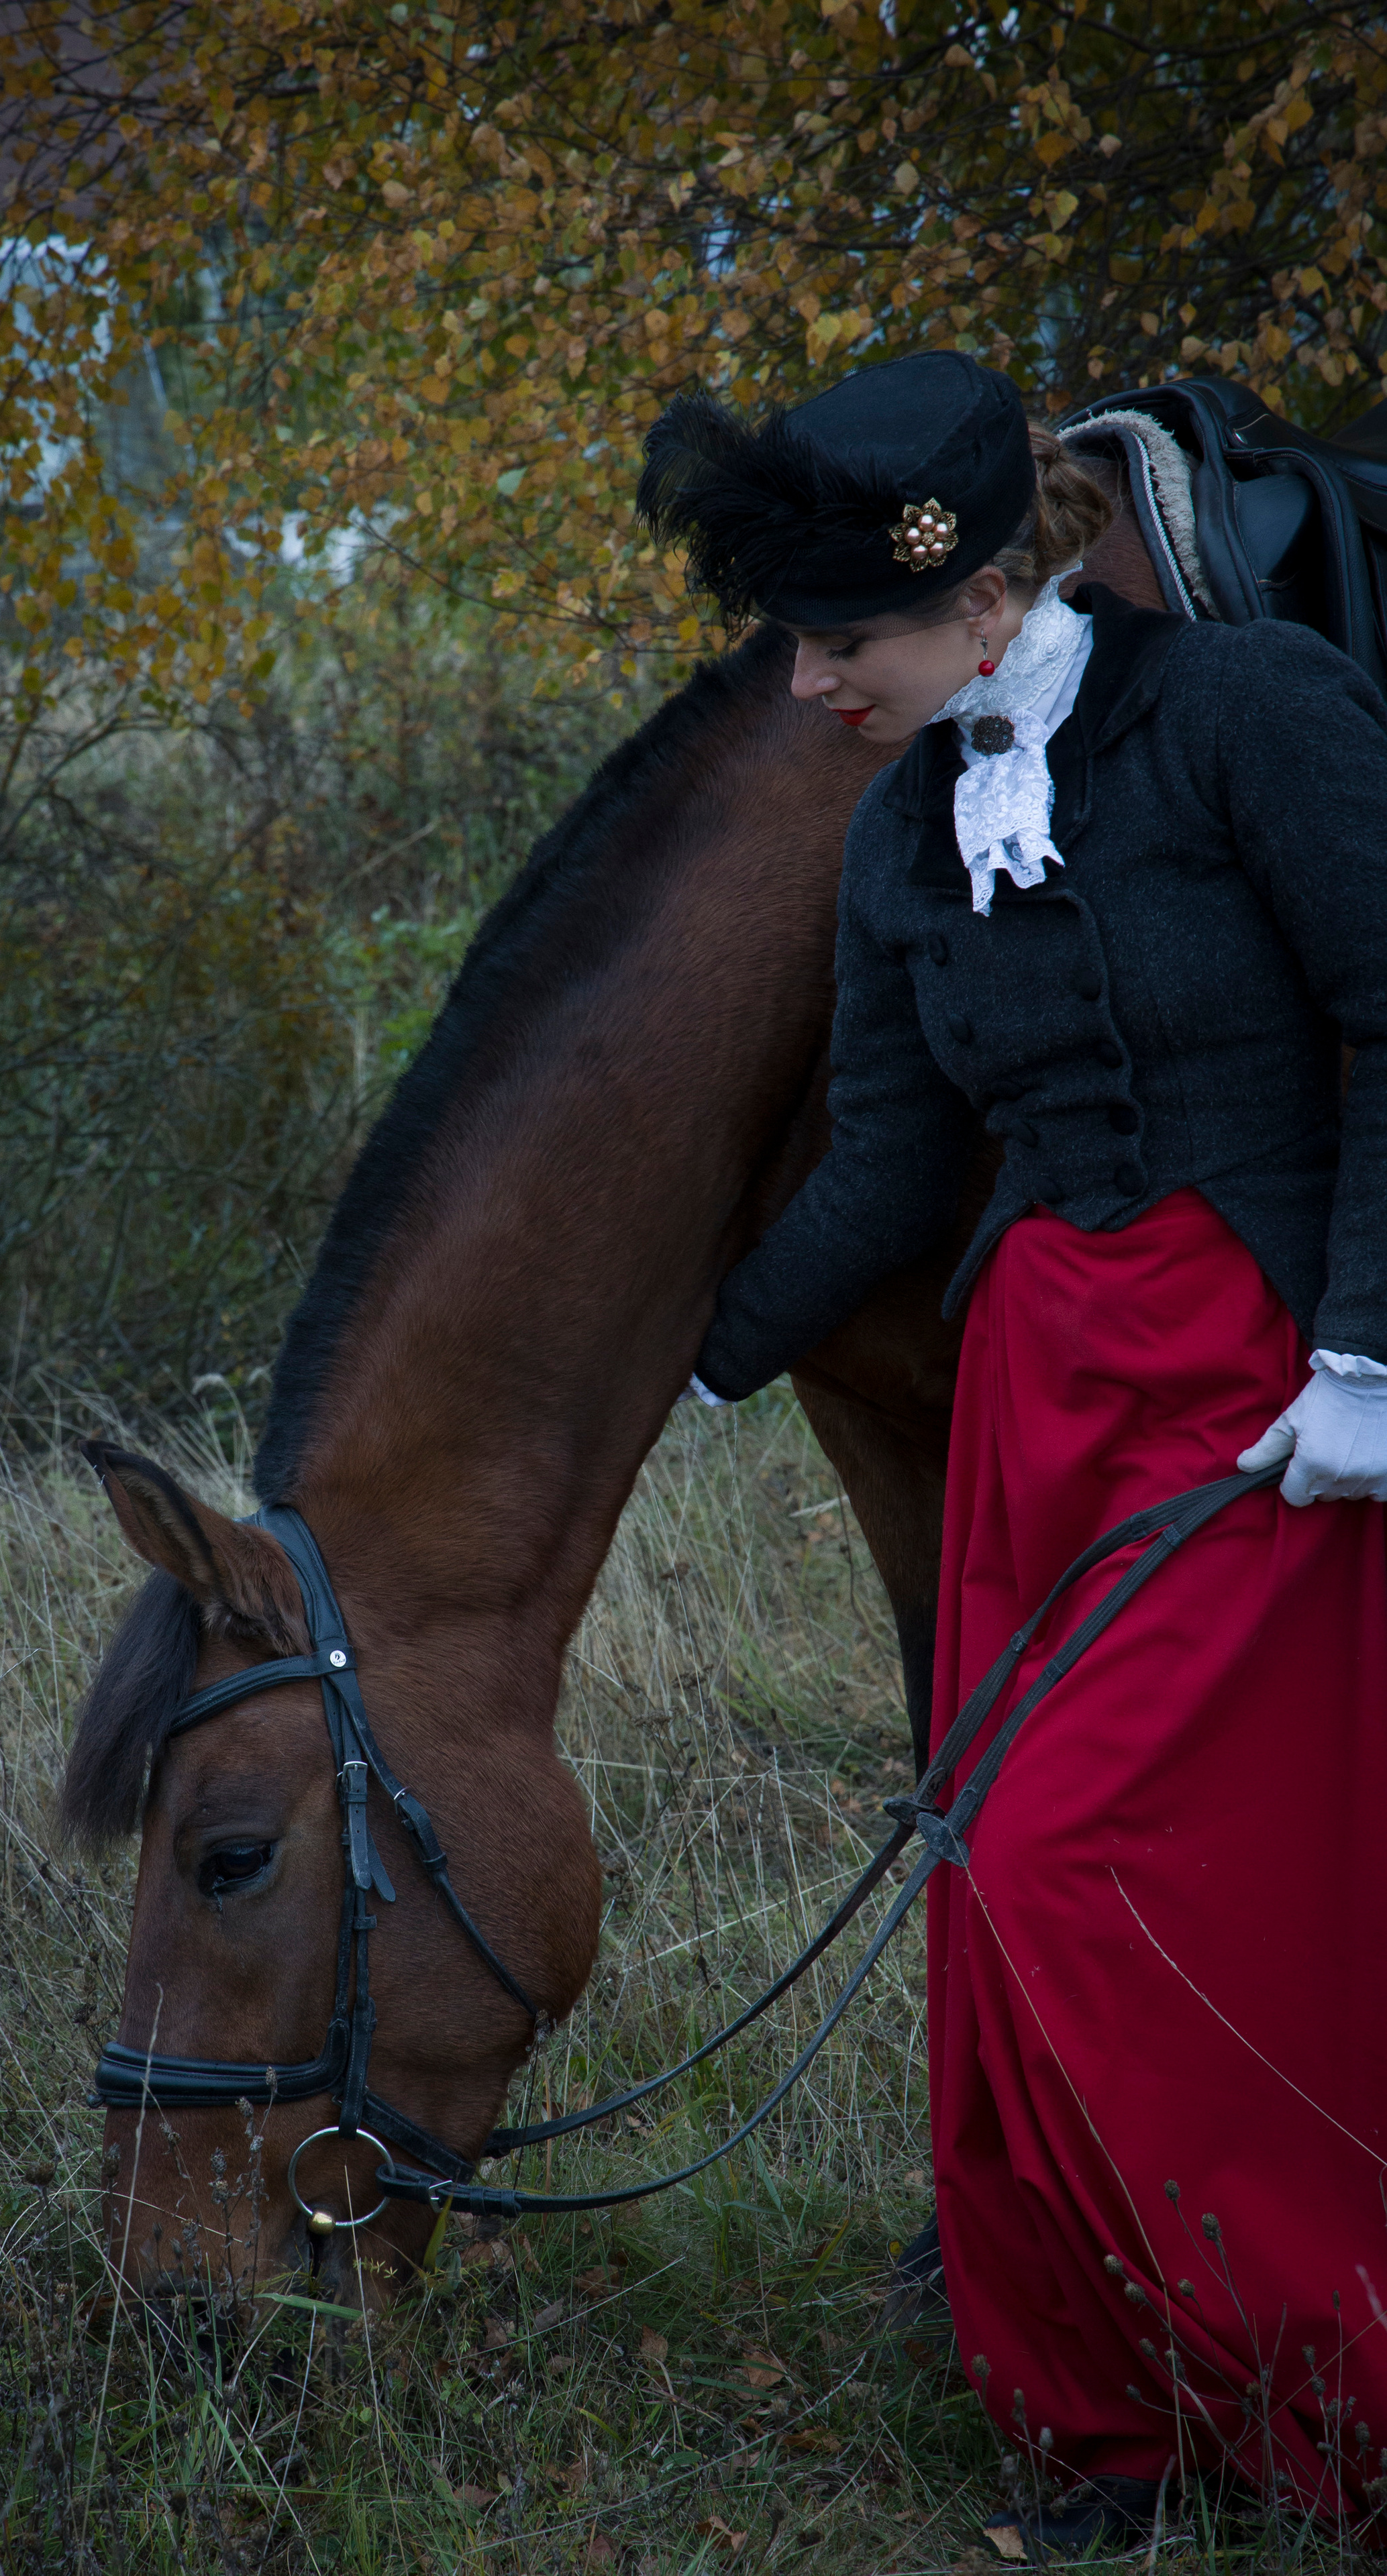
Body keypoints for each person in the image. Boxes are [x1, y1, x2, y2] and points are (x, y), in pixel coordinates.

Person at [638, 351, 1387, 2559]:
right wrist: (698, 1363)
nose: (808, 687)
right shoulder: (901, 835)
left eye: (837, 643)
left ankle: (1313, 2371)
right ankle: (1123, 2417)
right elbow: (888, 1161)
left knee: (1091, 1872)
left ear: (980, 597)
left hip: (1268, 1402)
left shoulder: (1245, 719)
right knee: (998, 1885)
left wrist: (1365, 1354)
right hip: (1044, 1413)